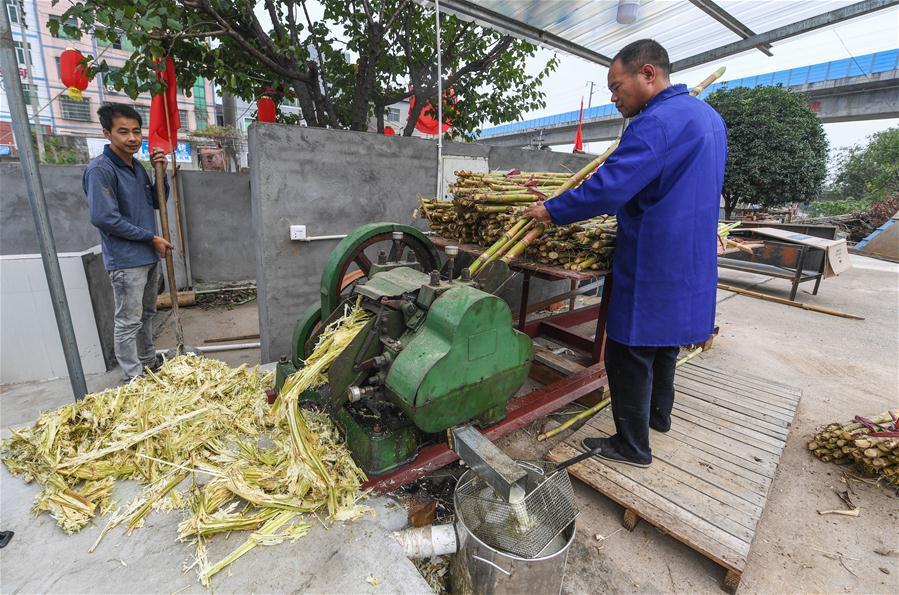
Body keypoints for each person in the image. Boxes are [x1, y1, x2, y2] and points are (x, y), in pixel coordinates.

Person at [523, 39, 728, 468]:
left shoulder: (655, 123)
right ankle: (658, 418)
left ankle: (632, 446)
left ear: (648, 74)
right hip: (692, 256)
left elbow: (611, 187)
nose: (614, 98)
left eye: (617, 87)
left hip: (655, 254)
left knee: (629, 350)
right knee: (665, 343)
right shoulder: (708, 117)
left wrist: (551, 209)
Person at [83, 103, 173, 381]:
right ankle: (133, 377)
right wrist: (150, 237)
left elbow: (157, 203)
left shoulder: (136, 168)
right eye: (123, 132)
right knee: (127, 321)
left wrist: (162, 172)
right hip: (126, 261)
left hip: (148, 256)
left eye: (136, 131)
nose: (132, 138)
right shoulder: (100, 169)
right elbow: (104, 218)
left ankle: (148, 361)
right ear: (107, 133)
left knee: (147, 314)